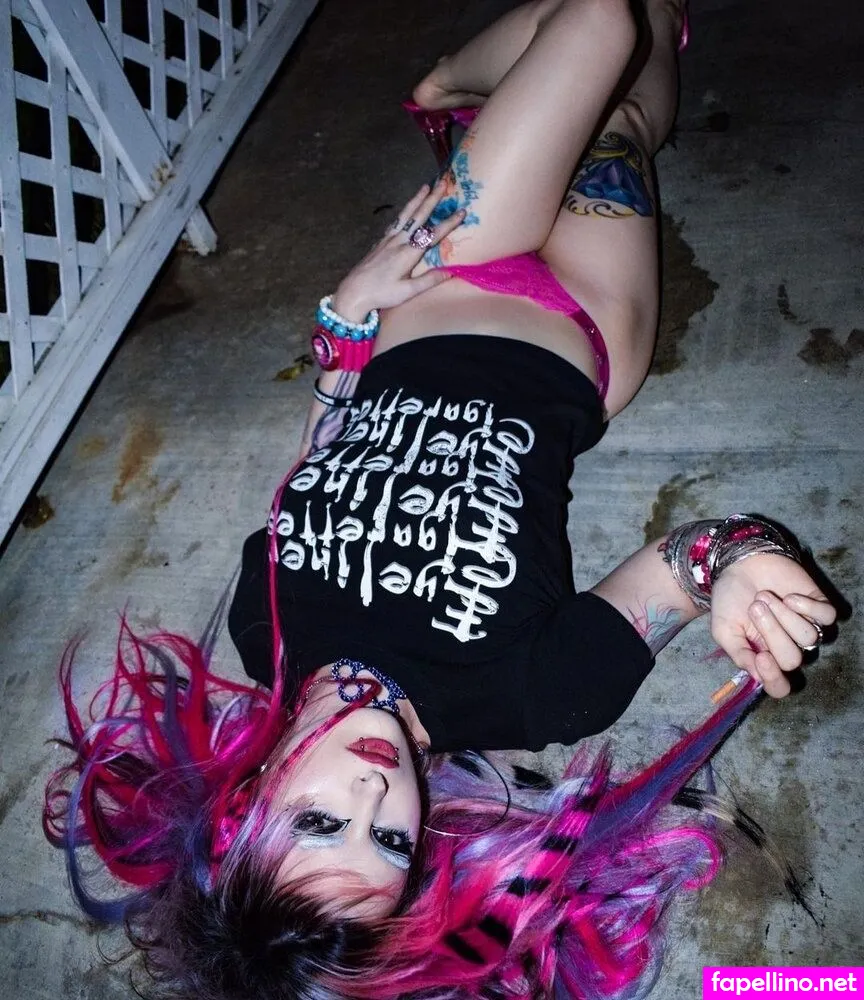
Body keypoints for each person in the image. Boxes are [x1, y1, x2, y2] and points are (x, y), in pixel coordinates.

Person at [44, 1, 838, 998]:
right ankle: (474, 102)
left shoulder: (265, 627)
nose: (375, 792)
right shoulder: (533, 694)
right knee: (631, 100)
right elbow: (690, 560)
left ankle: (456, 87)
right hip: (586, 329)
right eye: (389, 841)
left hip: (436, 287)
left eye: (322, 823)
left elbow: (326, 456)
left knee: (600, 21)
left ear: (245, 809)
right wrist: (743, 562)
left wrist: (344, 319)